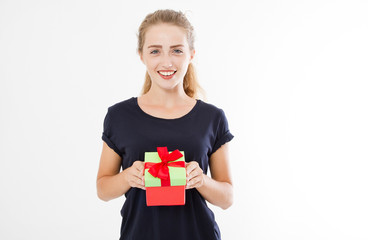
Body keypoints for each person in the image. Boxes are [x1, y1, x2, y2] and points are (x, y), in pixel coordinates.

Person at [96, 9, 234, 240]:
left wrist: (202, 180)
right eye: (155, 51)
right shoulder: (119, 116)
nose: (166, 61)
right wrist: (127, 177)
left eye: (177, 50)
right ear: (142, 55)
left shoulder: (212, 118)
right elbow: (103, 189)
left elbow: (227, 198)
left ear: (191, 54)